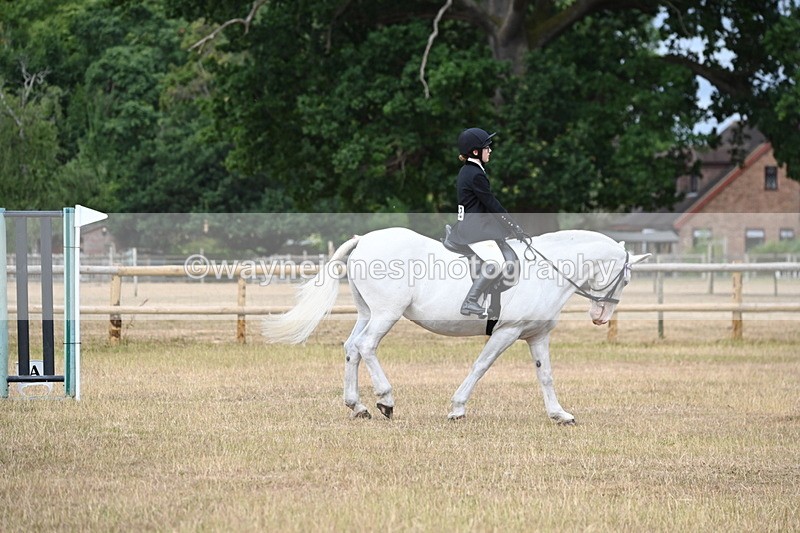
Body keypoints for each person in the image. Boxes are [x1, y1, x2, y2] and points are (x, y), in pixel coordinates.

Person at [449, 127, 526, 317]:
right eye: (487, 147)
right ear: (476, 151)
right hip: (474, 230)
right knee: (496, 262)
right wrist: (513, 226)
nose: (490, 150)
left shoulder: (469, 170)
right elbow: (491, 203)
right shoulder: (475, 174)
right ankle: (471, 301)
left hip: (473, 225)